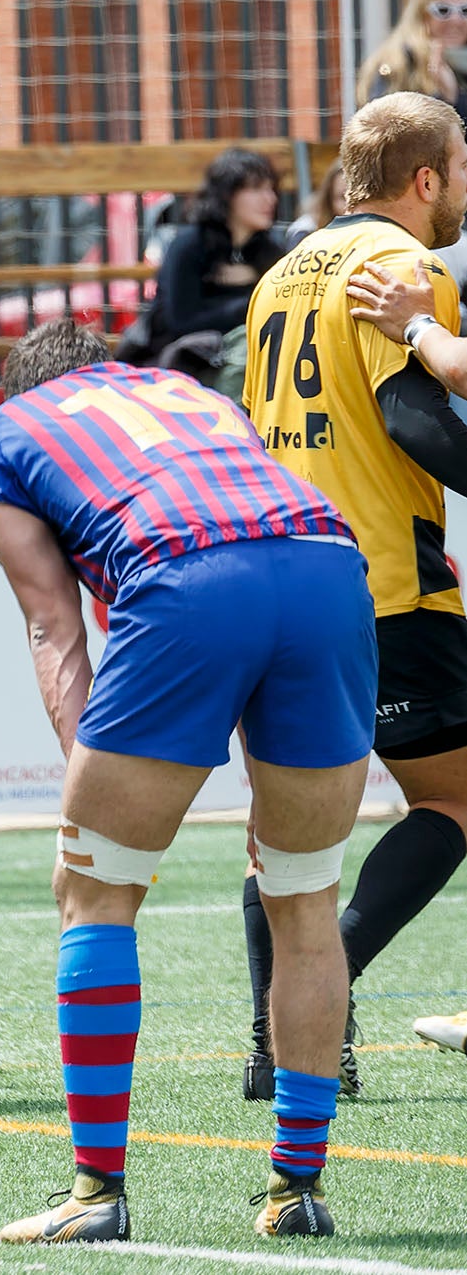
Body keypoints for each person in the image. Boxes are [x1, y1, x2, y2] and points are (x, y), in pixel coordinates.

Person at [0, 317, 374, 1243]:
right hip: (325, 563)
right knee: (305, 897)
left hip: (186, 571)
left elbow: (52, 627)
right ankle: (294, 1190)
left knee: (94, 891)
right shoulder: (192, 392)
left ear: (20, 389)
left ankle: (95, 1191)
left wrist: (92, 791)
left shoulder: (8, 433)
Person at [240, 91, 467, 1109]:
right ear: (426, 181)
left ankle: (270, 1044)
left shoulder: (279, 274)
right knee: (453, 800)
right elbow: (415, 421)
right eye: (460, 168)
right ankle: (315, 998)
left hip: (268, 577)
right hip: (377, 578)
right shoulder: (405, 270)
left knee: (284, 829)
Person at [138, 148, 284, 396]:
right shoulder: (190, 245)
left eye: (271, 189)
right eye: (256, 188)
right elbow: (180, 321)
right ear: (227, 194)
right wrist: (247, 304)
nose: (269, 199)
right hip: (184, 367)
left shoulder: (268, 250)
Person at [359, 0, 467, 123]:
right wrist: (446, 99)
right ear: (421, 16)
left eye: (465, 10)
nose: (456, 20)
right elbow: (385, 133)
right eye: (443, 10)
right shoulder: (399, 64)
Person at [286, 161, 346, 248]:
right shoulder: (306, 235)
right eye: (343, 197)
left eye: (361, 197)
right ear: (329, 202)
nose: (352, 205)